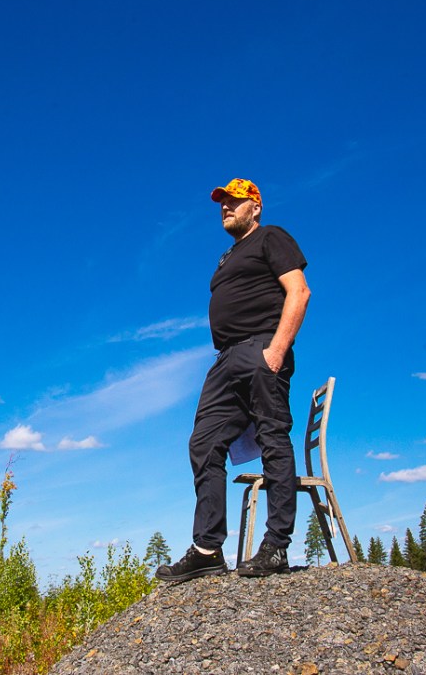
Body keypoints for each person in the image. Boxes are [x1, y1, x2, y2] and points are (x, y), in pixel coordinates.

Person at [156, 178, 310, 581]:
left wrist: (275, 351)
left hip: (260, 349)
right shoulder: (226, 258)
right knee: (204, 443)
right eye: (223, 202)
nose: (226, 207)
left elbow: (299, 292)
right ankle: (208, 549)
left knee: (274, 437)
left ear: (255, 207)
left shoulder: (272, 238)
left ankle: (276, 546)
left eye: (235, 201)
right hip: (224, 361)